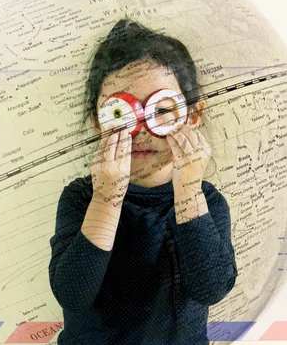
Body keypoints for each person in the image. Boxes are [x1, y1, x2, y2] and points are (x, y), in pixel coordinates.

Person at [48, 18, 238, 345]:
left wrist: (189, 192)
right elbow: (72, 294)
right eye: (120, 113)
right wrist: (106, 197)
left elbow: (212, 288)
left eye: (161, 110)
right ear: (97, 120)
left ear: (192, 116)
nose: (141, 129)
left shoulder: (207, 200)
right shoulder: (81, 197)